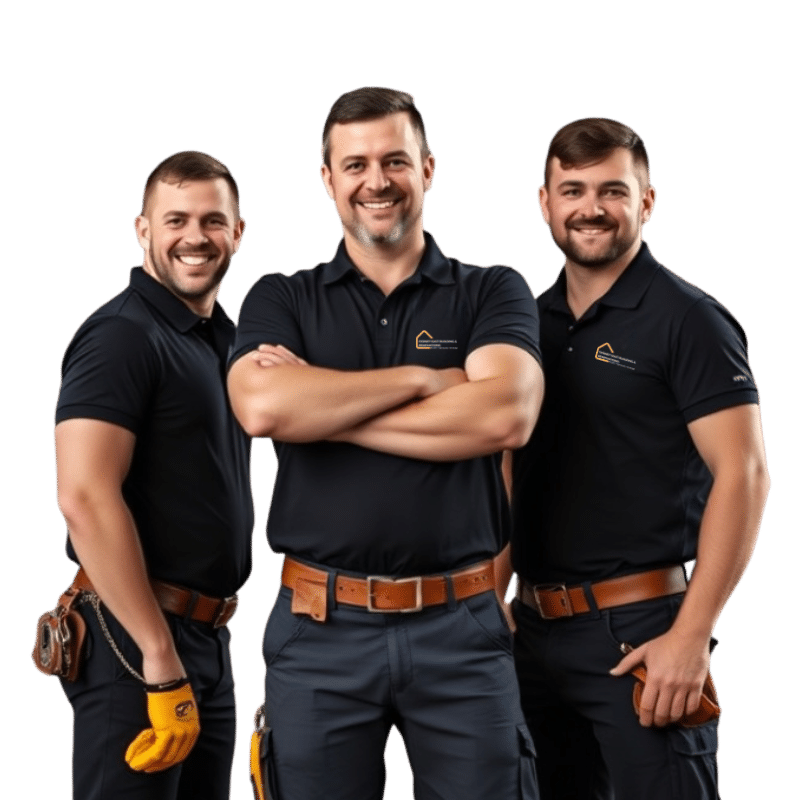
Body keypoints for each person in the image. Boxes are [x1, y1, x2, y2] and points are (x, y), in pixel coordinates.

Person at [228, 86, 544, 800]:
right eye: (356, 164)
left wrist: (326, 402)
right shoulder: (280, 296)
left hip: (463, 629)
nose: (377, 181)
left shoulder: (494, 290)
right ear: (327, 180)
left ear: (428, 169)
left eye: (395, 161)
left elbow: (505, 417)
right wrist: (428, 380)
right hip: (319, 632)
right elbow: (261, 406)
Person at [508, 117, 771, 799]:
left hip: (642, 636)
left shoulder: (688, 319)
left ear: (646, 203)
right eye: (572, 190)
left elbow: (745, 475)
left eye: (612, 191)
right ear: (545, 203)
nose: (589, 208)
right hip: (529, 636)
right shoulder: (525, 324)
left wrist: (693, 635)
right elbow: (501, 471)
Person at [50, 150, 253, 799]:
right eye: (176, 220)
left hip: (207, 639)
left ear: (238, 232)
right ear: (143, 231)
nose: (195, 237)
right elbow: (83, 496)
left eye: (212, 221)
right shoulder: (121, 335)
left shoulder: (225, 340)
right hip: (131, 640)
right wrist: (156, 652)